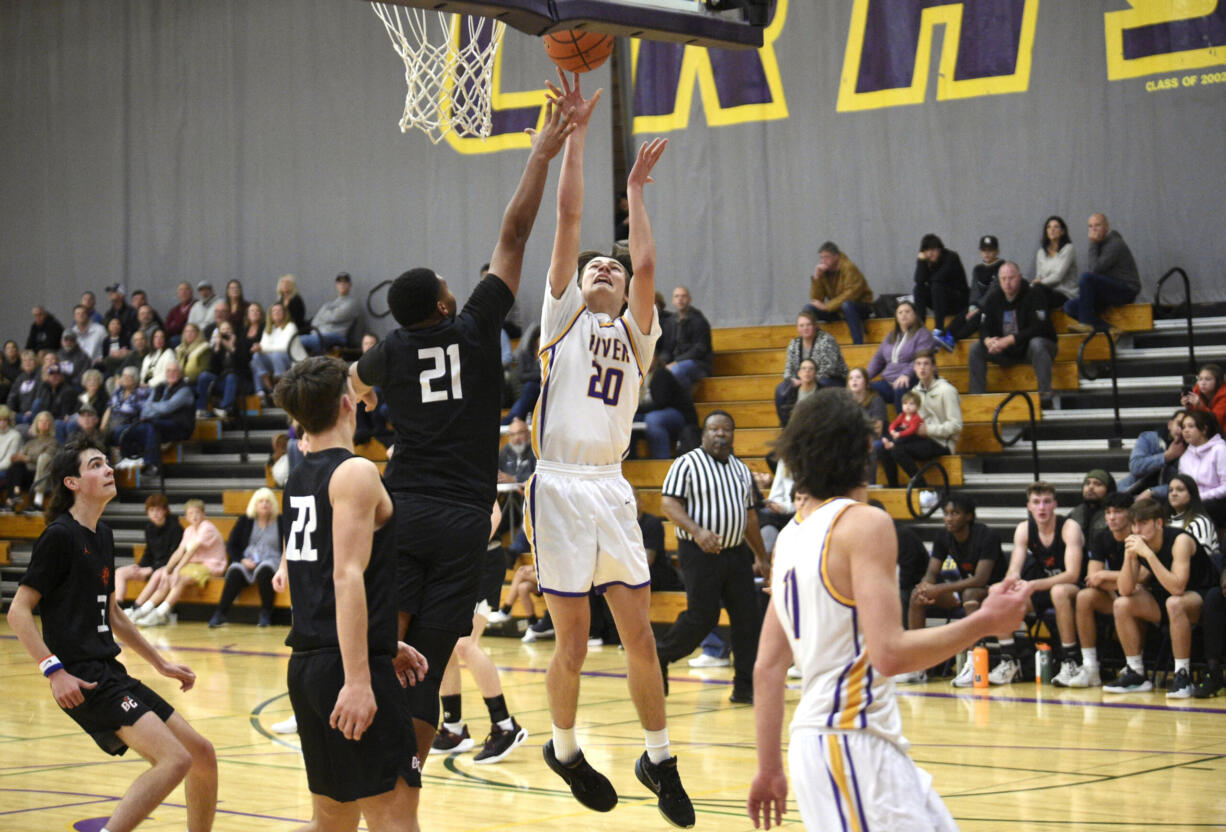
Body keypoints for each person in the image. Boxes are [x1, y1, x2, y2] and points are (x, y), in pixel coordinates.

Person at [347, 92, 572, 773]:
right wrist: (542, 153)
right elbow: (514, 237)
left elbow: (351, 386)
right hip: (467, 516)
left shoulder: (386, 353)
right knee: (438, 653)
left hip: (405, 504)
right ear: (447, 304)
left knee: (393, 637)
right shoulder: (476, 328)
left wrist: (365, 394)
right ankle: (409, 768)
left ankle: (364, 743)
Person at [514, 73, 692, 825]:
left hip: (611, 486)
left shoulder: (635, 335)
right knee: (575, 645)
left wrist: (638, 193)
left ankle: (659, 757)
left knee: (640, 635)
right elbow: (566, 217)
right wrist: (578, 138)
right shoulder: (561, 318)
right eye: (595, 266)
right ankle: (562, 746)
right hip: (556, 485)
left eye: (610, 268)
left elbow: (646, 265)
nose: (604, 269)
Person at [747, 389, 1031, 831]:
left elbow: (766, 668)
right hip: (849, 741)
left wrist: (768, 768)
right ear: (862, 448)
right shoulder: (864, 522)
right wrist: (985, 622)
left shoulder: (789, 538)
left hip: (843, 743)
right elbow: (891, 654)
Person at [5, 435, 217, 832]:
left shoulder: (102, 535)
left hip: (111, 670)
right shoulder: (60, 536)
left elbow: (114, 614)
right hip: (83, 677)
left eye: (107, 463)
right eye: (97, 465)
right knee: (175, 759)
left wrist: (161, 663)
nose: (108, 470)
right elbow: (18, 611)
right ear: (72, 482)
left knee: (201, 754)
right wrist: (54, 671)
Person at [271, 355, 429, 831]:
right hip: (346, 671)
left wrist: (380, 638)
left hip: (310, 666)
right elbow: (345, 576)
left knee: (332, 823)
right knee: (395, 819)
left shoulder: (299, 475)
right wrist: (360, 676)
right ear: (347, 403)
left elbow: (317, 579)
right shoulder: (357, 472)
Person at [657, 410, 770, 704]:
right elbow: (668, 504)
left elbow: (750, 517)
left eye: (727, 429)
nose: (721, 434)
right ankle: (661, 655)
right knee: (702, 617)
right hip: (699, 554)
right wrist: (697, 531)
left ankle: (745, 688)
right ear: (704, 434)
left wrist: (762, 555)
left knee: (748, 620)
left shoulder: (741, 469)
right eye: (715, 429)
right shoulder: (687, 464)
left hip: (736, 555)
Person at [433, 501, 529, 764]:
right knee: (444, 643)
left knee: (465, 644)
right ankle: (453, 729)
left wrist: (463, 547)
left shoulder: (465, 464)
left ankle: (505, 725)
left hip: (481, 561)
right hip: (449, 566)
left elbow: (494, 512)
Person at [1105, 498, 1219, 697]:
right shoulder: (1139, 545)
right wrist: (1129, 557)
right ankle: (1136, 673)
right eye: (1133, 524)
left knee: (1175, 602)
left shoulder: (1180, 541)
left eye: (1142, 523)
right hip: (1167, 598)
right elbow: (1124, 589)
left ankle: (1182, 675)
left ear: (1159, 523)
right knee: (1122, 604)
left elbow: (1177, 587)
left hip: (1204, 597)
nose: (1137, 530)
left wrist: (1148, 555)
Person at [899, 495, 1005, 685]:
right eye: (946, 513)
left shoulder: (987, 535)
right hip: (965, 589)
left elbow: (981, 579)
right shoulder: (943, 537)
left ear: (969, 516)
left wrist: (938, 589)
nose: (948, 518)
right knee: (917, 596)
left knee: (970, 594)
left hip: (996, 590)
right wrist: (925, 587)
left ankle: (975, 665)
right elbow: (932, 571)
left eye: (955, 513)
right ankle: (918, 665)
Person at [995, 482, 1084, 684]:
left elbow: (1072, 574)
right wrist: (1006, 585)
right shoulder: (1024, 529)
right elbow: (1014, 570)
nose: (1042, 507)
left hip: (1076, 588)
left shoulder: (1069, 528)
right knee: (1004, 599)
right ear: (1029, 506)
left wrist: (1033, 585)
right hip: (1045, 586)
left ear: (1055, 505)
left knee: (1059, 592)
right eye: (1036, 502)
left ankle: (1070, 661)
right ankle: (1009, 661)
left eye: (1046, 502)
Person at [1052, 491, 1134, 688]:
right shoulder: (1102, 537)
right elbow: (1092, 578)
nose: (1112, 517)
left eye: (1118, 512)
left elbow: (1141, 580)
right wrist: (1112, 579)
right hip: (1115, 595)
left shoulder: (1138, 536)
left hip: (1142, 596)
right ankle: (1090, 667)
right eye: (1108, 512)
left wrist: (1106, 576)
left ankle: (1134, 667)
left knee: (1129, 598)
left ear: (1131, 513)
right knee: (1085, 596)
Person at [968, 261, 1059, 402]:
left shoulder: (1034, 294)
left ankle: (1045, 394)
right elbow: (984, 327)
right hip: (1006, 351)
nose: (1007, 283)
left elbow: (1040, 327)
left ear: (1019, 277)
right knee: (975, 348)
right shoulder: (994, 298)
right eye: (1003, 279)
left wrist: (1010, 340)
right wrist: (988, 341)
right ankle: (977, 399)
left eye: (1011, 278)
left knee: (1037, 344)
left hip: (1029, 349)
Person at [128, 498, 227, 627]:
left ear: (204, 514)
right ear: (186, 517)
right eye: (191, 514)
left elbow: (191, 551)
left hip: (212, 565)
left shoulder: (207, 527)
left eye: (197, 513)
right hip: (194, 565)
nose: (194, 516)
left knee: (180, 579)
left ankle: (161, 613)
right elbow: (179, 551)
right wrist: (168, 569)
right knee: (167, 578)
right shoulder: (189, 530)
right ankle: (143, 610)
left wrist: (176, 569)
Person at [874, 351, 961, 488]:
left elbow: (956, 425)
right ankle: (893, 488)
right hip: (920, 437)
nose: (922, 368)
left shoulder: (947, 390)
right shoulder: (914, 392)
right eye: (918, 364)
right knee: (883, 448)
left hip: (941, 442)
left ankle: (923, 487)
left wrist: (929, 430)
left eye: (926, 364)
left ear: (934, 367)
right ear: (914, 368)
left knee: (897, 449)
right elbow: (909, 421)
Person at [208, 487, 287, 628]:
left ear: (273, 505)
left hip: (273, 562)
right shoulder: (245, 520)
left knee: (265, 570)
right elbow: (232, 545)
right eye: (261, 501)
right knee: (235, 571)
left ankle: (265, 614)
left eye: (267, 501)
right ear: (255, 504)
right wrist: (241, 560)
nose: (264, 504)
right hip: (248, 561)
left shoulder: (280, 521)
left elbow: (288, 546)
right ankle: (220, 613)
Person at [1066, 213, 1140, 334]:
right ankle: (1107, 328)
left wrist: (1093, 243)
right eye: (1090, 226)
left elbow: (1094, 269)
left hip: (1126, 290)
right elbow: (1093, 269)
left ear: (1106, 227)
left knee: (1086, 277)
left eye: (1097, 225)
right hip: (1108, 290)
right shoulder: (1100, 245)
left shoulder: (1115, 244)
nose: (1093, 229)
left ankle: (1086, 323)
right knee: (1070, 306)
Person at [120, 360, 195, 478]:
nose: (172, 374)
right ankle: (131, 459)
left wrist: (152, 406)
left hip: (180, 427)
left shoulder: (185, 390)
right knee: (129, 429)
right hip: (159, 424)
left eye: (175, 371)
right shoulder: (160, 387)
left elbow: (167, 407)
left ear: (180, 373)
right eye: (169, 371)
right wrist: (154, 408)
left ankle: (153, 465)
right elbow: (145, 410)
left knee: (151, 426)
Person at [774, 309, 847, 424]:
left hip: (831, 379)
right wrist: (792, 379)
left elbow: (829, 367)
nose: (805, 328)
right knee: (781, 389)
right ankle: (786, 427)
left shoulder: (826, 340)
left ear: (815, 326)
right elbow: (788, 369)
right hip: (803, 379)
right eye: (801, 325)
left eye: (808, 325)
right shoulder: (794, 344)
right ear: (797, 328)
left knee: (823, 384)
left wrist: (807, 378)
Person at [865, 300, 936, 410]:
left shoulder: (923, 334)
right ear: (896, 317)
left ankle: (903, 425)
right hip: (889, 381)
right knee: (865, 390)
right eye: (900, 312)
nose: (903, 314)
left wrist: (906, 374)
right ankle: (878, 425)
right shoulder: (891, 336)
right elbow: (878, 359)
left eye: (907, 311)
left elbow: (921, 358)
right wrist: (865, 377)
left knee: (900, 387)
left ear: (915, 315)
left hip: (914, 378)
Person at [116, 493, 183, 606]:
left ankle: (137, 607)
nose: (155, 514)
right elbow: (148, 552)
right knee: (120, 572)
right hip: (153, 566)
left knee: (157, 573)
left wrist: (151, 569)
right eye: (151, 510)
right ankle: (118, 605)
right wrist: (140, 566)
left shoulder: (175, 528)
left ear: (165, 511)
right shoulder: (149, 527)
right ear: (147, 512)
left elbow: (174, 556)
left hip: (169, 567)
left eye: (158, 510)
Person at [806, 241, 873, 344]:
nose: (823, 261)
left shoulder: (848, 267)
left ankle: (858, 344)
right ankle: (812, 345)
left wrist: (827, 307)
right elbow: (816, 300)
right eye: (821, 257)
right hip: (837, 308)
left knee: (847, 305)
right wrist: (817, 278)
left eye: (827, 257)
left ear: (836, 256)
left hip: (859, 306)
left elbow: (852, 294)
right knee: (809, 309)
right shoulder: (823, 271)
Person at [912, 233, 969, 350]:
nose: (930, 254)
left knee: (937, 285)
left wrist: (926, 267)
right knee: (918, 289)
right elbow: (919, 281)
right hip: (941, 301)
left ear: (940, 249)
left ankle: (938, 329)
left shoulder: (951, 257)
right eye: (926, 251)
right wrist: (921, 262)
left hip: (959, 301)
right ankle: (920, 329)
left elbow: (938, 279)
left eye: (933, 250)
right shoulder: (926, 261)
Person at [636, 354, 698, 458]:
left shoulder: (661, 374)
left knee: (654, 419)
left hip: (678, 415)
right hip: (651, 412)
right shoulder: (637, 378)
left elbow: (660, 403)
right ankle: (630, 460)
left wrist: (635, 409)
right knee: (625, 420)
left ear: (654, 360)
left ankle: (661, 462)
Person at [1174, 408, 1226, 526]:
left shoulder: (1220, 449)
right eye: (1183, 427)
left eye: (1191, 426)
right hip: (1192, 500)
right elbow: (1183, 484)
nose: (1186, 431)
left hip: (1217, 501)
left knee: (1202, 509)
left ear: (1204, 429)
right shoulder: (1185, 457)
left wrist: (1200, 497)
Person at [657, 285, 713, 389]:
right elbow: (667, 348)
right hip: (676, 363)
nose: (680, 299)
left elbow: (700, 349)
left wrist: (676, 361)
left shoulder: (699, 321)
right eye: (677, 296)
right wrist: (661, 363)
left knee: (676, 371)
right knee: (656, 373)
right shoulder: (670, 322)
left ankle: (684, 403)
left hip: (699, 364)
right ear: (673, 301)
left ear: (689, 299)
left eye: (683, 296)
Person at [1120, 409, 1186, 495]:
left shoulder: (1191, 449)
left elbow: (1185, 485)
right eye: (1179, 424)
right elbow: (1135, 467)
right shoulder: (1149, 438)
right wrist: (1167, 456)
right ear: (1170, 424)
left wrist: (1152, 492)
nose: (1181, 430)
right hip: (1132, 491)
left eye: (1185, 426)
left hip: (1164, 497)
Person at [195, 318, 251, 419]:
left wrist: (232, 348)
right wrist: (216, 348)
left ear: (233, 331)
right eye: (223, 330)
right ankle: (201, 409)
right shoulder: (218, 347)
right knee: (204, 376)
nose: (226, 331)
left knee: (231, 376)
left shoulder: (240, 343)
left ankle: (226, 409)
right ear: (219, 332)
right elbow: (213, 368)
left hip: (238, 382)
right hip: (222, 381)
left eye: (228, 329)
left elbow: (244, 365)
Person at [4, 410, 59, 512]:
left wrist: (27, 458)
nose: (43, 423)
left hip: (41, 476)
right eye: (41, 421)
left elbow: (47, 458)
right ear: (36, 424)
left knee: (43, 458)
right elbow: (21, 456)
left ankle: (35, 500)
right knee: (15, 467)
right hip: (27, 475)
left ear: (51, 424)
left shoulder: (53, 442)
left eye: (47, 421)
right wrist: (15, 457)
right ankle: (13, 497)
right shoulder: (30, 443)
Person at [301, 272, 363, 354]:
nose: (342, 284)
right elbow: (314, 322)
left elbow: (336, 317)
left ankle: (318, 364)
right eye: (340, 282)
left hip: (337, 335)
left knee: (316, 340)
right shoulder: (328, 304)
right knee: (296, 340)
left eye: (345, 282)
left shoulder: (352, 303)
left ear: (350, 284)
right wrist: (329, 315)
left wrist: (323, 316)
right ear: (336, 285)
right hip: (318, 334)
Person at [251, 301, 299, 404]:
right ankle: (267, 390)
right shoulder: (269, 329)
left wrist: (262, 348)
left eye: (279, 310)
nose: (276, 313)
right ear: (270, 315)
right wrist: (260, 348)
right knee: (256, 357)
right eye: (274, 311)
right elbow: (263, 346)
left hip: (291, 359)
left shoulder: (290, 326)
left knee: (277, 355)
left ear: (285, 313)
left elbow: (284, 347)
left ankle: (280, 389)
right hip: (274, 359)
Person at [1167, 473, 1220, 553]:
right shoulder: (1166, 522)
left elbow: (1203, 556)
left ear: (1191, 494)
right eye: (1170, 490)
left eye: (1180, 490)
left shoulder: (1200, 522)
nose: (1174, 494)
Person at [1034, 216, 1078, 308]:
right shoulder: (1041, 252)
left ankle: (1042, 321)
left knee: (1038, 292)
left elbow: (1057, 277)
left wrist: (1039, 283)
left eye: (1056, 227)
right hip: (1046, 290)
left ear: (1062, 231)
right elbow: (1039, 276)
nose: (1052, 230)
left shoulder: (1068, 249)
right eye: (1049, 227)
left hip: (1065, 293)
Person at [102, 366, 150, 450]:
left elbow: (140, 412)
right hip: (113, 422)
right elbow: (110, 407)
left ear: (135, 379)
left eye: (129, 376)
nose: (125, 378)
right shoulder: (119, 390)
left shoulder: (141, 392)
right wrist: (103, 424)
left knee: (114, 433)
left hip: (129, 423)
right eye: (124, 376)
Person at [1067, 468, 1116, 542]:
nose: (1090, 487)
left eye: (1098, 484)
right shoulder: (1075, 514)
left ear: (1108, 489)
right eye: (1087, 483)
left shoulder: (1115, 515)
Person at [1180, 363, 1226, 432]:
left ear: (1218, 381)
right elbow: (1195, 419)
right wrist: (1189, 406)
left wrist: (1200, 406)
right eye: (1200, 379)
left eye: (1208, 379)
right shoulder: (1196, 391)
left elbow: (1216, 421)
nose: (1203, 383)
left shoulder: (1224, 394)